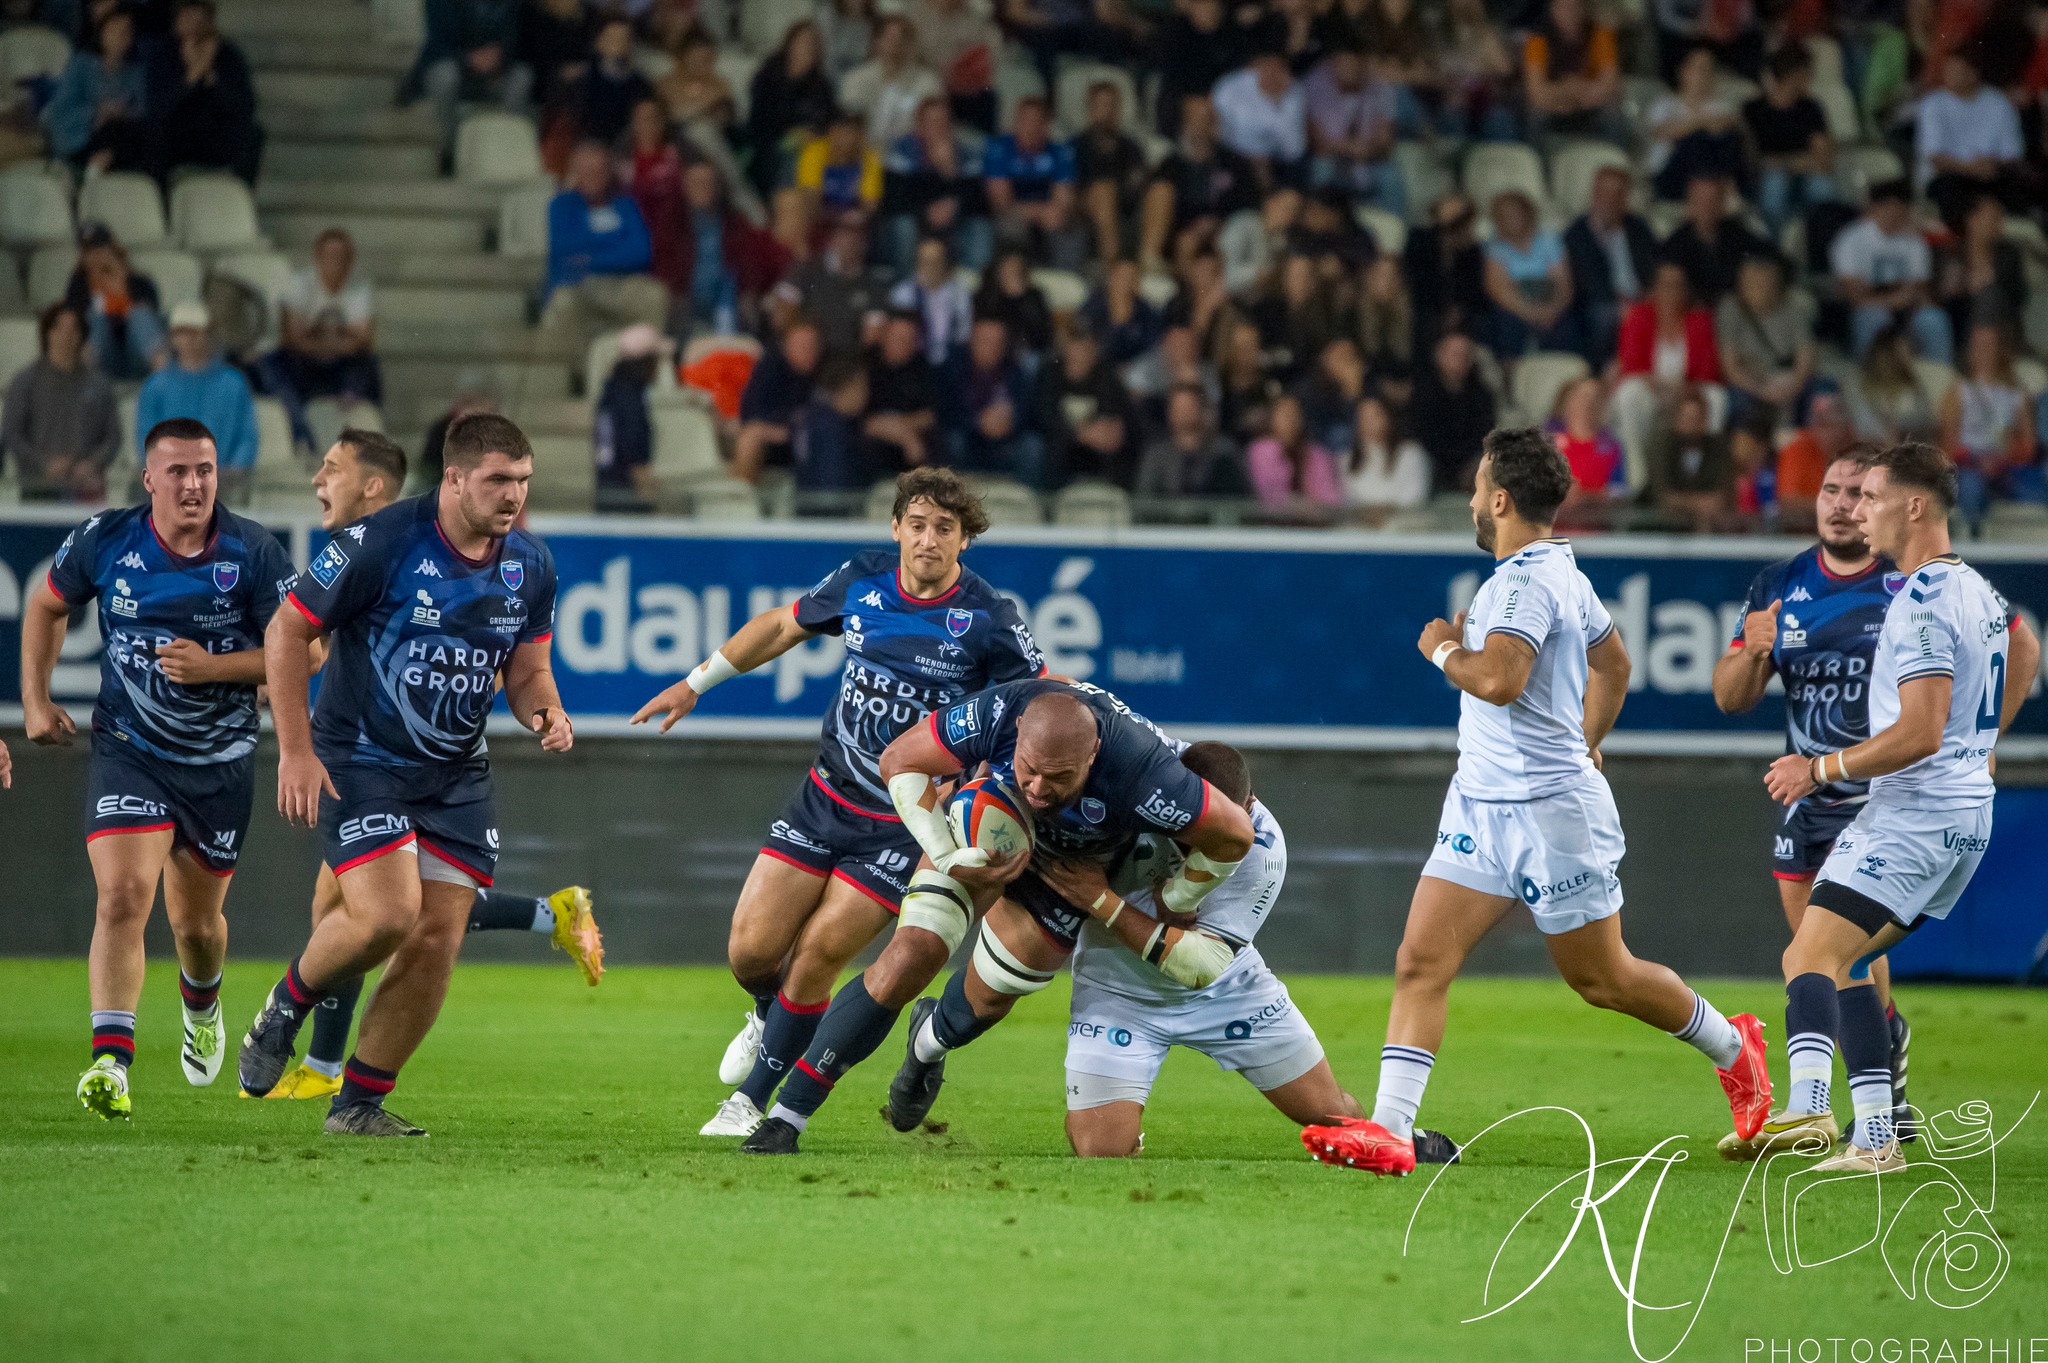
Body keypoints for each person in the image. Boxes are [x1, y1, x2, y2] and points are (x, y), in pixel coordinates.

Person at [1299, 428, 1773, 1176]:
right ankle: (1390, 1129)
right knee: (1421, 958)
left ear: (1500, 498)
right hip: (1481, 806)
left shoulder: (1521, 582)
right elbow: (1612, 663)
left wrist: (1441, 649)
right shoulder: (1561, 570)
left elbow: (1499, 679)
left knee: (1603, 978)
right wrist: (1589, 736)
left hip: (1550, 814)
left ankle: (1734, 1045)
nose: (1470, 500)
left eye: (1477, 486)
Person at [626, 469, 1044, 1137]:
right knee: (750, 953)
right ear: (895, 528)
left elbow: (1031, 710)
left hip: (901, 825)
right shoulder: (862, 581)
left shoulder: (990, 617)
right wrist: (694, 683)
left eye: (944, 528)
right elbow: (781, 626)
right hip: (824, 797)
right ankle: (768, 1013)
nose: (928, 539)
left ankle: (751, 1100)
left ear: (965, 541)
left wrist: (971, 782)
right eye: (917, 524)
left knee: (819, 952)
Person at [737, 677, 1256, 1154]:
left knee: (987, 999)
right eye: (1029, 769)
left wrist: (1178, 899)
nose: (1037, 789)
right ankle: (787, 1118)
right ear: (1016, 733)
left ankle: (927, 1046)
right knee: (908, 956)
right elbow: (899, 759)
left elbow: (1235, 834)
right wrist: (945, 854)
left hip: (1070, 871)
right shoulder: (997, 711)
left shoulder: (1146, 771)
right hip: (985, 827)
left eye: (1059, 779)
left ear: (1094, 754)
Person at [236, 414, 570, 1137]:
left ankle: (357, 1103)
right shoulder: (380, 542)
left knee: (434, 937)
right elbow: (286, 631)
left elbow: (529, 671)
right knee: (388, 914)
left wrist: (546, 712)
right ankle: (286, 1004)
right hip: (361, 761)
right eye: (497, 481)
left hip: (456, 777)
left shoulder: (532, 565)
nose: (513, 496)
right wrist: (295, 750)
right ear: (453, 478)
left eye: (522, 481)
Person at [1748, 443, 2036, 1172]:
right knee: (1842, 963)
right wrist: (1985, 742)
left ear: (1914, 505)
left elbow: (1918, 731)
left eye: (1873, 497)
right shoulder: (1973, 588)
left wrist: (1820, 767)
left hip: (1917, 813)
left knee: (1809, 954)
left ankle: (1810, 1105)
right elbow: (2022, 652)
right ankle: (1875, 1138)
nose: (1859, 511)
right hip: (1958, 812)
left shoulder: (1924, 599)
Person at [23, 418, 294, 1120]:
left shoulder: (253, 551)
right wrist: (35, 697)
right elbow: (47, 602)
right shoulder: (107, 539)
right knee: (121, 896)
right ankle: (111, 1060)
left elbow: (305, 653)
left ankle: (202, 1004)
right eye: (177, 471)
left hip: (220, 765)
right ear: (148, 479)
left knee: (197, 928)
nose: (193, 483)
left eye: (204, 468)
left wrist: (216, 668)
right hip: (130, 751)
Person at [1712, 447, 1907, 1142]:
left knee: (1832, 954)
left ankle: (1842, 1110)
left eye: (1858, 492)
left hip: (1882, 797)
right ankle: (1881, 1070)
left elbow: (2017, 641)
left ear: (1881, 502)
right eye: (1831, 489)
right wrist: (1751, 650)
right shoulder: (1781, 580)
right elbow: (1730, 698)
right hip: (1807, 796)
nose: (1842, 503)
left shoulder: (1907, 579)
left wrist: (1989, 736)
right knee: (1817, 955)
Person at [259, 229, 381, 457]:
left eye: (340, 256)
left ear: (350, 260)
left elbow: (365, 341)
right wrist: (338, 337)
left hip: (341, 365)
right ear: (317, 258)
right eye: (328, 255)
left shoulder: (360, 290)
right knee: (272, 363)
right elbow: (292, 338)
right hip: (305, 363)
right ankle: (301, 434)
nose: (334, 262)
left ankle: (368, 440)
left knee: (368, 363)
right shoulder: (299, 285)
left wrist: (316, 337)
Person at [541, 141, 668, 356]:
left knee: (655, 295)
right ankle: (581, 376)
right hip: (579, 283)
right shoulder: (561, 206)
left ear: (608, 173)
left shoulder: (626, 205)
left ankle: (647, 367)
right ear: (576, 174)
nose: (593, 177)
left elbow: (640, 251)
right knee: (563, 302)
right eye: (586, 171)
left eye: (598, 171)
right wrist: (615, 247)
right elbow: (566, 252)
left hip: (624, 284)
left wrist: (590, 257)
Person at [1612, 261, 1721, 484]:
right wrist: (1664, 388)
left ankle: (1707, 474)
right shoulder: (1639, 316)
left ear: (1686, 290)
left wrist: (1684, 391)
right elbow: (1631, 366)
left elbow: (1708, 370)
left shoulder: (1699, 320)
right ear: (1654, 289)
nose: (1671, 291)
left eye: (1677, 285)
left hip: (1688, 392)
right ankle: (1638, 478)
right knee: (1628, 394)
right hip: (1651, 391)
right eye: (1665, 285)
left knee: (1717, 397)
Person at [136, 302, 259, 494]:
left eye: (196, 332)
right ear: (172, 337)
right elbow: (146, 439)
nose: (189, 339)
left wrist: (233, 469)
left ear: (208, 335)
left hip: (223, 485)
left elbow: (247, 436)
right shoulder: (156, 386)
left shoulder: (233, 383)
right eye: (182, 332)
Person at [3, 305, 120, 502]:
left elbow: (113, 437)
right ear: (47, 333)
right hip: (39, 486)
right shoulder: (25, 382)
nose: (66, 335)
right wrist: (44, 465)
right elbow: (13, 433)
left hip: (87, 488)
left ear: (82, 335)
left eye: (74, 328)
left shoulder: (99, 385)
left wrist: (92, 464)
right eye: (59, 328)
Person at [1830, 178, 1951, 362]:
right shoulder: (1852, 239)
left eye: (1899, 206)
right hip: (1863, 312)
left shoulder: (1914, 241)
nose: (1893, 212)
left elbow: (1920, 291)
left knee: (1933, 318)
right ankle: (1870, 379)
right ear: (1876, 208)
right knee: (1874, 318)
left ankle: (1939, 381)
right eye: (1887, 206)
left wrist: (1901, 297)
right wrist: (1897, 298)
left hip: (1906, 311)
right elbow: (1855, 296)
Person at [1941, 323, 2042, 534]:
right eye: (1977, 345)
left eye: (1988, 345)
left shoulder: (2016, 395)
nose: (1982, 351)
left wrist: (2005, 459)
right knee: (1970, 487)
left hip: (2007, 465)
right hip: (1968, 465)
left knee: (2035, 487)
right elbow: (1947, 446)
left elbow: (2029, 445)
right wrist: (1976, 461)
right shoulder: (1958, 392)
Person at [1139, 95, 1260, 270]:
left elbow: (1247, 203)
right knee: (1185, 240)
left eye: (1204, 119)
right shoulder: (1171, 164)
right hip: (1182, 233)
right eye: (1193, 118)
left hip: (1223, 230)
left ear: (1213, 124)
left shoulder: (1232, 162)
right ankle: (1151, 262)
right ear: (1184, 122)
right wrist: (1192, 230)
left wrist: (1217, 223)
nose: (1198, 125)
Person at [147, 0, 262, 183]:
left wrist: (210, 78)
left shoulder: (229, 56)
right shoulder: (163, 55)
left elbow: (244, 107)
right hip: (179, 134)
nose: (191, 26)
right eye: (185, 18)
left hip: (215, 133)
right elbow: (157, 107)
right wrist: (190, 79)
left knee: (253, 134)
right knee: (153, 134)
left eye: (196, 20)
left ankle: (240, 196)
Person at [1915, 47, 2028, 229]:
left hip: (1989, 177)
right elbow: (1936, 158)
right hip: (1949, 177)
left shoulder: (1998, 103)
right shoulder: (1933, 104)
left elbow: (2012, 155)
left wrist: (1992, 165)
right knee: (1949, 187)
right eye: (1948, 70)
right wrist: (1971, 168)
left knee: (2016, 185)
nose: (1950, 76)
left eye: (1956, 71)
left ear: (1973, 73)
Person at [882, 97, 991, 274]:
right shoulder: (902, 150)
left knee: (979, 228)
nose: (939, 128)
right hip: (915, 217)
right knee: (904, 226)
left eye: (944, 122)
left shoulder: (966, 152)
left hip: (955, 218)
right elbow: (895, 199)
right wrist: (925, 211)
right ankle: (905, 287)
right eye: (933, 122)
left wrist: (950, 173)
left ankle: (971, 290)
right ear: (919, 125)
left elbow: (979, 201)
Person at [416, 0, 531, 163]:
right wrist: (468, 59)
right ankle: (450, 151)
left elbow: (523, 36)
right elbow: (436, 42)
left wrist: (501, 55)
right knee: (443, 76)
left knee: (522, 76)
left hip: (498, 72)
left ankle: (510, 150)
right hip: (457, 67)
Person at [1564, 166, 1657, 365]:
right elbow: (1586, 282)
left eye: (1617, 194)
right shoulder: (1577, 234)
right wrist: (1624, 303)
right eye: (1604, 193)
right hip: (1601, 303)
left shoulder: (1638, 228)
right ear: (1594, 195)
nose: (1610, 200)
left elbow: (1654, 266)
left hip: (1642, 299)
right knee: (1608, 315)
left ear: (1625, 198)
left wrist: (1649, 295)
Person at [1743, 42, 1836, 237]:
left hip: (1802, 179)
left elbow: (1823, 161)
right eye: (1806, 73)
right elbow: (1752, 158)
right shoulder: (1754, 110)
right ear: (1792, 75)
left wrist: (1785, 163)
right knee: (1775, 183)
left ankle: (1815, 247)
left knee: (1822, 187)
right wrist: (1795, 163)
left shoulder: (1811, 109)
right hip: (1763, 181)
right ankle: (1775, 248)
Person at [984, 96, 1086, 271]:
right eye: (1026, 120)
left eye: (1037, 121)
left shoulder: (1060, 152)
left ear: (1046, 125)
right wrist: (1038, 213)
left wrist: (1051, 213)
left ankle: (1064, 281)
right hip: (1012, 215)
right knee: (1013, 228)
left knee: (1070, 227)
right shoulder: (999, 149)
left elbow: (1063, 200)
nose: (1031, 127)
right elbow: (1001, 202)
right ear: (1016, 122)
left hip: (1048, 215)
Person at [1715, 252, 1815, 430]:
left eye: (1764, 281)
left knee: (1821, 395)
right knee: (1736, 401)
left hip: (1788, 379)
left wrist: (1792, 388)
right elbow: (1730, 366)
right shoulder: (1730, 309)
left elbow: (1805, 356)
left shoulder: (1796, 306)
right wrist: (1763, 391)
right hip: (1751, 382)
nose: (1758, 287)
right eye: (1751, 282)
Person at [42, 7, 148, 174]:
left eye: (127, 31)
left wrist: (121, 113)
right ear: (102, 33)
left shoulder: (135, 72)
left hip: (121, 138)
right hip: (82, 137)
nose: (121, 36)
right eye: (115, 30)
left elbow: (141, 110)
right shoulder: (81, 65)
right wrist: (97, 114)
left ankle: (98, 169)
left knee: (124, 131)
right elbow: (61, 110)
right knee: (110, 131)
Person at [1299, 49, 1401, 218]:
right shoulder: (1313, 85)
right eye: (1343, 61)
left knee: (1390, 176)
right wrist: (1350, 148)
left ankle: (1394, 235)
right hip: (1332, 158)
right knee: (1321, 166)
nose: (1349, 67)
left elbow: (1385, 143)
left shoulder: (1381, 88)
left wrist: (1368, 151)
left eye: (1355, 61)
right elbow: (1316, 141)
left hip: (1369, 159)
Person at [746, 20, 840, 198]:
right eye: (804, 42)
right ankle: (785, 205)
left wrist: (811, 132)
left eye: (813, 43)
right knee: (791, 158)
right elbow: (759, 119)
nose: (809, 47)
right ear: (790, 44)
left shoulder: (821, 84)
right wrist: (791, 134)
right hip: (770, 143)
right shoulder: (768, 76)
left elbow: (829, 119)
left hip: (811, 144)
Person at [942, 317, 1040, 481]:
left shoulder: (1016, 372)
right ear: (972, 342)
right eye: (985, 341)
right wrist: (978, 423)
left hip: (1007, 440)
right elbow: (947, 412)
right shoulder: (954, 370)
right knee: (952, 441)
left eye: (997, 342)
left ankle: (1025, 501)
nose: (991, 347)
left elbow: (1028, 413)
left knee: (1032, 447)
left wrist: (1011, 421)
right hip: (970, 439)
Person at [1483, 189, 1576, 358]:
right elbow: (1496, 288)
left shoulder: (1549, 240)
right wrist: (1529, 313)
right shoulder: (1496, 249)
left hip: (1549, 300)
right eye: (1503, 216)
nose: (1510, 220)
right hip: (1517, 307)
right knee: (1505, 323)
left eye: (1514, 213)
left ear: (1527, 213)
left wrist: (1552, 310)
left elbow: (1563, 282)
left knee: (1567, 324)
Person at [1036, 325, 1133, 488]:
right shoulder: (1049, 374)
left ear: (1094, 354)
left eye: (1084, 353)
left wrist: (1104, 432)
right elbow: (1045, 417)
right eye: (1074, 354)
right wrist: (1079, 434)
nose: (1078, 358)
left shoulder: (1107, 378)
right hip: (1062, 447)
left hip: (1098, 450)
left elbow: (1114, 418)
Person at [1646, 45, 1744, 202]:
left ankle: (1718, 191)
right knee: (1696, 140)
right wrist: (1701, 123)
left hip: (1715, 173)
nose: (1704, 74)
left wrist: (1689, 127)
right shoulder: (1665, 104)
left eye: (1709, 69)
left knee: (1726, 140)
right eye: (1699, 68)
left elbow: (1728, 127)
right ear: (1683, 72)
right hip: (1672, 175)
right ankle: (1714, 192)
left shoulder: (1721, 106)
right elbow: (1661, 132)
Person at [66, 227, 165, 381]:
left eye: (100, 248)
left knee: (139, 314)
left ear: (113, 249)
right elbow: (75, 323)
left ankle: (165, 379)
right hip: (102, 361)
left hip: (138, 356)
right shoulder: (78, 286)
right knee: (95, 316)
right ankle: (83, 384)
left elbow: (149, 320)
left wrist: (120, 283)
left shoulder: (140, 283)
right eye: (89, 251)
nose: (96, 256)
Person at [1658, 173, 1769, 307]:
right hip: (1695, 314)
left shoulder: (1737, 233)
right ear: (1690, 202)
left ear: (1723, 203)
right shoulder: (1675, 244)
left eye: (1713, 200)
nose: (1707, 207)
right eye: (1701, 200)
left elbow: (1770, 256)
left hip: (1738, 310)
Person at [733, 318, 823, 483]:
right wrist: (782, 429)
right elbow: (751, 413)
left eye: (812, 345)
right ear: (786, 346)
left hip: (816, 441)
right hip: (779, 442)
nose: (807, 350)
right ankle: (740, 502)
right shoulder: (770, 368)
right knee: (750, 437)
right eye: (800, 345)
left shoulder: (827, 372)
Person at [1521, 0, 1623, 141]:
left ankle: (1612, 159)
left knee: (1613, 112)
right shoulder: (1537, 39)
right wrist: (1566, 91)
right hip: (1555, 108)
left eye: (1575, 6)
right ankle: (1536, 162)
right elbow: (1536, 93)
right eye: (1563, 7)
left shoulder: (1600, 33)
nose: (1570, 13)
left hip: (1589, 105)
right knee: (1534, 116)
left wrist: (1578, 92)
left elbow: (1610, 83)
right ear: (1552, 10)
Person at [1073, 80, 1148, 267]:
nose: (1107, 112)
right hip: (1082, 215)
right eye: (1101, 105)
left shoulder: (1131, 148)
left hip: (1127, 213)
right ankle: (1112, 267)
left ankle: (1149, 259)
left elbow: (1136, 186)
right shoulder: (1076, 147)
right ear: (1090, 109)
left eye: (1112, 106)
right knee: (1104, 191)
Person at [1410, 330, 1496, 492]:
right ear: (1439, 356)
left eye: (1466, 354)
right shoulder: (1422, 394)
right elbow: (1421, 435)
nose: (1461, 359)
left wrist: (1471, 465)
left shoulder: (1482, 394)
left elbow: (1485, 435)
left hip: (1470, 466)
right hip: (1432, 465)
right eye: (1455, 354)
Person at [839, 14, 941, 152]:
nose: (896, 45)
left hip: (911, 159)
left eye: (903, 39)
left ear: (913, 44)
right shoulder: (855, 79)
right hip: (863, 157)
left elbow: (934, 131)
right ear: (877, 42)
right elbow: (848, 127)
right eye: (891, 38)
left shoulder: (929, 83)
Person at [1403, 193, 1488, 353]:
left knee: (1475, 323)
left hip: (1462, 309)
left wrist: (1459, 310)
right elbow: (1417, 279)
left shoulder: (1471, 250)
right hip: (1427, 307)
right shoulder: (1420, 238)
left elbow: (1473, 287)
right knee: (1424, 325)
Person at [1212, 48, 1306, 192]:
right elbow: (1215, 126)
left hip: (1273, 160)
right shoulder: (1232, 86)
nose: (1272, 73)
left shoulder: (1293, 92)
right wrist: (1249, 154)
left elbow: (1294, 151)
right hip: (1231, 152)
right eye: (1267, 66)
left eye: (1278, 68)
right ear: (1257, 66)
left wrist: (1277, 103)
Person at [904, 0, 1003, 132]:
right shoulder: (913, 16)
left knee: (988, 95)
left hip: (967, 87)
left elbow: (992, 50)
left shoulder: (978, 16)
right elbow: (908, 59)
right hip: (928, 84)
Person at [1133, 383, 1246, 498]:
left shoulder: (1224, 451)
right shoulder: (1156, 455)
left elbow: (1238, 499)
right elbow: (1145, 500)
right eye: (1177, 408)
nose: (1183, 413)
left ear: (1201, 410)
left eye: (1188, 407)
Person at [1644, 385, 1733, 530]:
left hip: (1710, 526)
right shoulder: (1660, 446)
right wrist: (1697, 504)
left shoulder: (1719, 449)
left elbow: (1720, 496)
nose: (1691, 425)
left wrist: (1684, 502)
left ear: (1705, 420)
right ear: (1676, 420)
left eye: (1696, 419)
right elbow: (1662, 494)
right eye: (1686, 418)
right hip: (1664, 530)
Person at [594, 323, 664, 504]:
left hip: (607, 492)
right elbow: (636, 464)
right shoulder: (631, 405)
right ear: (646, 363)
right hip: (627, 504)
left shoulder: (610, 395)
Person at [862, 308, 939, 472]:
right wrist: (899, 432)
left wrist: (903, 429)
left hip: (912, 435)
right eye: (898, 338)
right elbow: (858, 417)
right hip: (874, 438)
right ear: (884, 335)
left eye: (909, 339)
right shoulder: (865, 365)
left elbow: (931, 413)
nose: (903, 344)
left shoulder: (922, 367)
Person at [1545, 375, 1627, 524]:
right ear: (1568, 402)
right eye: (1582, 397)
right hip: (1554, 531)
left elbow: (1620, 491)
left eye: (1595, 398)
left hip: (1598, 529)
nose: (1588, 404)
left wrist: (1586, 496)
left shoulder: (1611, 447)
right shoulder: (1548, 444)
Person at [1247, 391, 1340, 518]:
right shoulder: (1259, 451)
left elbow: (1332, 498)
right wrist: (1294, 504)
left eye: (1295, 414)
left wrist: (1307, 507)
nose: (1290, 419)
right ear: (1272, 418)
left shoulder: (1318, 455)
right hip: (1272, 526)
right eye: (1284, 413)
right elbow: (1265, 494)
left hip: (1314, 525)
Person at [562, 13, 650, 147]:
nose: (619, 45)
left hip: (622, 152)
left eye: (624, 39)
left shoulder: (640, 85)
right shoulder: (578, 79)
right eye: (612, 39)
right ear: (599, 42)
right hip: (581, 148)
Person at [1845, 322, 1938, 443]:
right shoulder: (1858, 385)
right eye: (1903, 349)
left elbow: (1926, 419)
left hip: (1908, 448)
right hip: (1872, 450)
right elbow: (1863, 427)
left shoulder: (1912, 384)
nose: (1909, 355)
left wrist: (1900, 426)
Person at [1342, 395, 1428, 524]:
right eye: (1363, 417)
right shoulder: (1346, 459)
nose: (1369, 422)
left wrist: (1383, 511)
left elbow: (1414, 496)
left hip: (1402, 526)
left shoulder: (1411, 453)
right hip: (1360, 528)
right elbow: (1347, 500)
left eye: (1375, 415)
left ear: (1388, 417)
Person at [889, 234, 975, 364]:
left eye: (935, 262)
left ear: (945, 264)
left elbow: (964, 334)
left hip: (951, 362)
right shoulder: (902, 294)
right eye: (924, 261)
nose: (929, 268)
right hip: (914, 362)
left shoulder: (960, 294)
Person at [792, 112, 885, 224]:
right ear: (831, 132)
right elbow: (809, 197)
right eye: (839, 132)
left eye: (850, 133)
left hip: (851, 225)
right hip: (817, 219)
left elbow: (869, 205)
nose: (843, 139)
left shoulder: (869, 158)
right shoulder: (814, 152)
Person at [1078, 257, 1160, 366]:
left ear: (1137, 284)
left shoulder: (1145, 312)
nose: (1124, 283)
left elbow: (1149, 346)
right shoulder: (1094, 304)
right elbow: (1082, 333)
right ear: (1110, 279)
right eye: (1120, 277)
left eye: (1130, 278)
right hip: (1097, 364)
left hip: (1132, 367)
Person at [971, 251, 1054, 357]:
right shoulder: (986, 294)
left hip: (1023, 352)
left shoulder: (1034, 297)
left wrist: (1019, 298)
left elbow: (1041, 337)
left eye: (1016, 268)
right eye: (1007, 267)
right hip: (995, 349)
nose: (1011, 272)